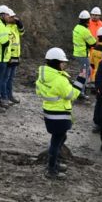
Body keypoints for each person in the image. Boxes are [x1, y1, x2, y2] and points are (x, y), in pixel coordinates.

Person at [37, 47, 81, 179]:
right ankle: (51, 169)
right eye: (63, 62)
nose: (64, 65)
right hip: (60, 115)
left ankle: (54, 163)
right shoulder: (59, 79)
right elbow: (71, 95)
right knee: (57, 141)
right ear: (56, 63)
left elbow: (39, 92)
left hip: (50, 113)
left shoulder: (44, 77)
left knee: (59, 138)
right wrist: (81, 82)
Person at [71, 10, 96, 93]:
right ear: (87, 20)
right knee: (85, 73)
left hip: (77, 53)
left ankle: (77, 88)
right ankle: (80, 92)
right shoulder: (85, 31)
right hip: (83, 55)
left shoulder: (76, 27)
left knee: (84, 72)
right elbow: (93, 43)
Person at [3, 9, 25, 106]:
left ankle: (9, 95)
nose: (14, 18)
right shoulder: (4, 27)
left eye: (14, 17)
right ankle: (4, 97)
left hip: (16, 56)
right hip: (8, 56)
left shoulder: (15, 26)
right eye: (12, 17)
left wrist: (20, 23)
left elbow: (22, 32)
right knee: (5, 78)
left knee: (11, 78)